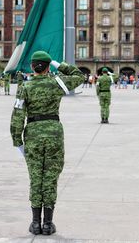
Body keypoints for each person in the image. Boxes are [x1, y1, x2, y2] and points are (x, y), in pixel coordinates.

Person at [10, 51, 84, 236]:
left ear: (33, 67)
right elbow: (79, 76)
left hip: (33, 134)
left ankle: (35, 223)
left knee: (36, 177)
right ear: (47, 66)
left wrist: (17, 140)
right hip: (54, 133)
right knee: (50, 177)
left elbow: (17, 115)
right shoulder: (56, 82)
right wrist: (57, 63)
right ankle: (48, 224)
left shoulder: (25, 87)